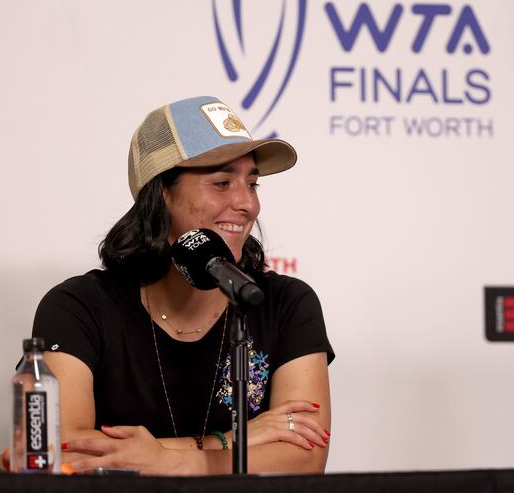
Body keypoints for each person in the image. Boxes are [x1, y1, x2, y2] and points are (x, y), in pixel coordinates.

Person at [30, 96, 334, 475]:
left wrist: (162, 458)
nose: (247, 204)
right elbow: (63, 455)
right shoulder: (78, 307)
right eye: (222, 182)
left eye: (252, 183)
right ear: (161, 194)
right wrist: (230, 441)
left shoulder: (285, 303)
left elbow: (305, 459)